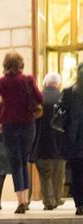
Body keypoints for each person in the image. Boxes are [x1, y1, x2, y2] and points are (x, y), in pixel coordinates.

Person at [0, 51, 43, 214]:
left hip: (9, 125)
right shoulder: (28, 79)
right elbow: (40, 98)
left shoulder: (0, 82)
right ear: (21, 64)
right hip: (28, 124)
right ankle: (25, 199)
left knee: (15, 162)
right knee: (24, 160)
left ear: (5, 65)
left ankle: (20, 201)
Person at [30, 72, 66, 210]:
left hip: (40, 141)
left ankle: (48, 200)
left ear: (45, 83)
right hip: (59, 142)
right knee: (58, 173)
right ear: (59, 84)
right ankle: (56, 198)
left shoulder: (38, 97)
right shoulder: (63, 97)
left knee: (44, 174)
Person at [55, 62, 83, 216]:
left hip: (74, 140)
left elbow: (60, 114)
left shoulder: (68, 92)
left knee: (77, 174)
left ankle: (79, 205)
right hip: (75, 139)